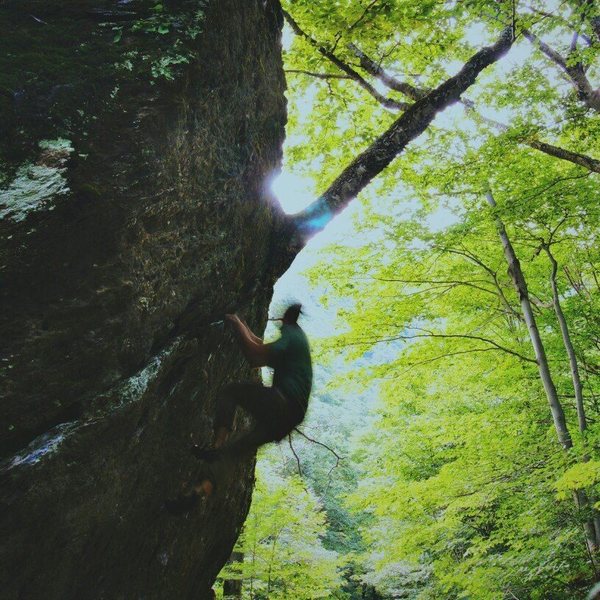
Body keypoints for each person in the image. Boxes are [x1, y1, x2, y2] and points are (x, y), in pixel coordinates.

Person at [166, 303, 312, 514]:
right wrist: (243, 325)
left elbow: (255, 357)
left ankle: (216, 448)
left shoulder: (291, 333)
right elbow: (262, 347)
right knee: (234, 452)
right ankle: (197, 492)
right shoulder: (299, 341)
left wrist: (234, 322)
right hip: (287, 420)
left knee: (230, 392)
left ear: (286, 321)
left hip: (282, 403)